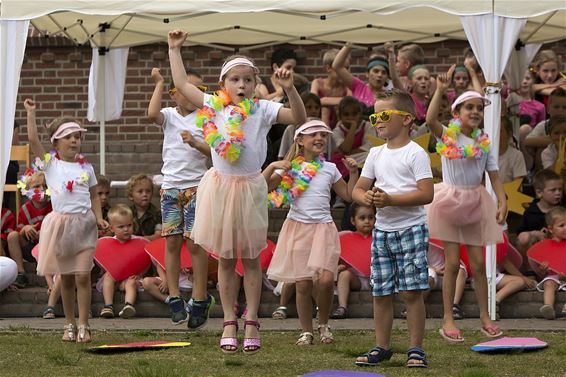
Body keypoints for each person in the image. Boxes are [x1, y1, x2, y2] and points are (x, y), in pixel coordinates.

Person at [168, 29, 307, 355]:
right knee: (227, 260)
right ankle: (229, 319)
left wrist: (289, 89)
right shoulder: (215, 105)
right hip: (220, 188)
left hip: (250, 188)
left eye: (247, 79)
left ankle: (252, 320)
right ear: (224, 84)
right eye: (235, 79)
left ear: (255, 83)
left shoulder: (261, 109)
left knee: (252, 259)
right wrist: (175, 49)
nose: (241, 85)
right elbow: (184, 85)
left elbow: (299, 118)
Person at [353, 89, 434, 368]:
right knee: (381, 292)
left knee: (412, 292)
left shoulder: (416, 153)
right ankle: (382, 347)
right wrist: (366, 198)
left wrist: (390, 199)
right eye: (375, 115)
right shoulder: (375, 153)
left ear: (408, 119)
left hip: (411, 229)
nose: (378, 120)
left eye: (385, 115)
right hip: (382, 232)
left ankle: (416, 349)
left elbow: (426, 194)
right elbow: (358, 189)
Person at [426, 74, 507, 343]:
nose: (475, 111)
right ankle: (448, 318)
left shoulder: (484, 143)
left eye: (479, 108)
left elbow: (494, 176)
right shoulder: (449, 136)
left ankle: (485, 318)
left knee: (479, 263)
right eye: (469, 107)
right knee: (451, 263)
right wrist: (440, 89)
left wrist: (503, 200)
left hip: (475, 202)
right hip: (449, 201)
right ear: (456, 113)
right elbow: (429, 121)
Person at [23, 98, 109, 343]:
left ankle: (84, 323)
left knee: (83, 275)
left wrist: (99, 217)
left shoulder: (87, 167)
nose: (74, 140)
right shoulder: (51, 165)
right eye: (68, 136)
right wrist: (31, 113)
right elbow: (32, 141)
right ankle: (69, 323)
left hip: (84, 225)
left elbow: (93, 195)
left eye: (77, 136)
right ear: (56, 143)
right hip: (61, 227)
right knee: (67, 278)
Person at [266, 119, 358, 346]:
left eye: (323, 135)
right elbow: (265, 188)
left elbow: (347, 195)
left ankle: (324, 323)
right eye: (313, 135)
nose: (319, 139)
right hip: (297, 228)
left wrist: (354, 173)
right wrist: (273, 168)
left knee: (326, 280)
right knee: (303, 283)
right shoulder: (289, 168)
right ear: (299, 140)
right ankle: (306, 331)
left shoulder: (330, 168)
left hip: (323, 228)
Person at [147, 66, 214, 329]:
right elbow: (152, 114)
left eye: (199, 89)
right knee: (172, 243)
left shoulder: (205, 118)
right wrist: (160, 83)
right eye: (188, 89)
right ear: (175, 95)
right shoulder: (169, 116)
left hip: (197, 187)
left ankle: (199, 297)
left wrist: (196, 144)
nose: (194, 93)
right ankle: (174, 296)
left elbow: (215, 151)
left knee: (196, 245)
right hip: (171, 188)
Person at [6, 171, 52, 289]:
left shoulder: (53, 206)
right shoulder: (24, 209)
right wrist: (25, 228)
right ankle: (21, 274)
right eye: (37, 186)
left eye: (45, 186)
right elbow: (18, 230)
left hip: (48, 250)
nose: (41, 189)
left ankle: (53, 273)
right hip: (30, 248)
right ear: (27, 190)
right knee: (12, 236)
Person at [99, 204, 145, 319]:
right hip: (113, 279)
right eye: (121, 227)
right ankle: (108, 306)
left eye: (129, 225)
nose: (126, 229)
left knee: (131, 281)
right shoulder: (107, 244)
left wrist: (139, 273)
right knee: (109, 275)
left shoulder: (139, 243)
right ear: (112, 228)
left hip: (128, 278)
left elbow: (145, 261)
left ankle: (128, 306)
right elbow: (103, 262)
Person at [330, 203, 375, 319]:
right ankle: (342, 307)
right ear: (353, 220)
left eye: (371, 217)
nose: (367, 221)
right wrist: (338, 268)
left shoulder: (379, 237)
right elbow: (336, 258)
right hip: (357, 280)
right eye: (362, 218)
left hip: (377, 279)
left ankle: (381, 309)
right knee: (345, 275)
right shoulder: (344, 238)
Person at [516, 170, 562, 268]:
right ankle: (529, 268)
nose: (558, 193)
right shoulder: (531, 211)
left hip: (557, 247)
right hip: (536, 249)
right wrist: (535, 233)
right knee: (524, 237)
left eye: (560, 189)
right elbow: (520, 233)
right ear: (539, 193)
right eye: (553, 190)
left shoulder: (562, 211)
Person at [333, 43, 391, 111]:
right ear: (367, 74)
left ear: (387, 77)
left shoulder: (389, 96)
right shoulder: (359, 86)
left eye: (384, 73)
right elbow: (337, 66)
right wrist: (350, 44)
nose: (379, 75)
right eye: (376, 71)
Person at [330, 96, 375, 180]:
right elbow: (346, 148)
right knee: (337, 159)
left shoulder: (367, 126)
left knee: (371, 155)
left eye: (354, 114)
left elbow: (368, 147)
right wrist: (353, 127)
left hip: (362, 157)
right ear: (340, 116)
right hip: (345, 161)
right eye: (346, 114)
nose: (351, 117)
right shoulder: (337, 131)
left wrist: (349, 154)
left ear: (360, 113)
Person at [524, 88, 566, 171]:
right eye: (556, 107)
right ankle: (540, 175)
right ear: (548, 109)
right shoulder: (544, 125)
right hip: (549, 162)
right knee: (541, 150)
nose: (560, 110)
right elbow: (527, 141)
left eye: (565, 107)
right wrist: (553, 140)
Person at [536, 206, 566, 319]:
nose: (565, 228)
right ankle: (548, 307)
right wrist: (542, 268)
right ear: (551, 229)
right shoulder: (545, 245)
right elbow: (539, 270)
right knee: (549, 283)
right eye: (561, 225)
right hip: (554, 276)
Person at [310, 48, 351, 128]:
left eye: (347, 68)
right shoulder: (317, 83)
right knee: (325, 109)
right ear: (328, 68)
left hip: (341, 124)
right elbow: (312, 102)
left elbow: (350, 102)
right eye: (341, 68)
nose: (345, 72)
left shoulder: (346, 85)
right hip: (318, 122)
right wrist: (339, 100)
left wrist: (324, 100)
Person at [126, 174, 161, 241]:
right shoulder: (126, 213)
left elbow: (158, 236)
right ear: (131, 196)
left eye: (148, 191)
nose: (144, 194)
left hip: (150, 248)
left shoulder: (158, 214)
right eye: (140, 191)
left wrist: (138, 240)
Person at [498, 117, 527, 183]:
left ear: (509, 134)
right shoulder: (484, 154)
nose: (496, 134)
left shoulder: (517, 155)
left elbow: (517, 183)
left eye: (500, 131)